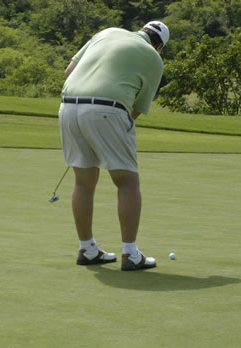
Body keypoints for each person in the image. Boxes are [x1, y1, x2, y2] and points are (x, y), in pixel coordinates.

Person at [59, 21, 168, 271]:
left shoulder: (107, 32)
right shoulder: (154, 58)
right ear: (159, 45)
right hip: (107, 109)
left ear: (141, 30)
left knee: (83, 181)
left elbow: (69, 71)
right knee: (126, 181)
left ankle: (87, 249)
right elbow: (137, 109)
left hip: (67, 106)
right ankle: (130, 254)